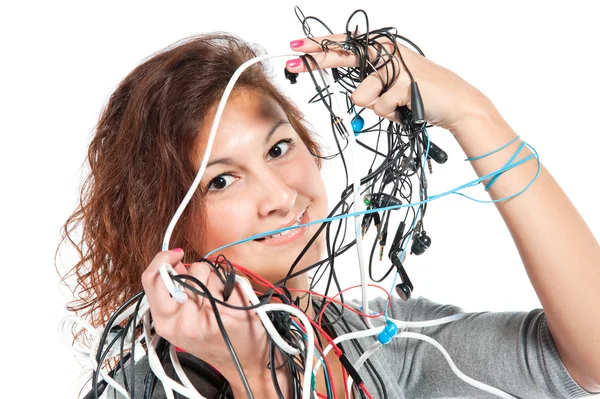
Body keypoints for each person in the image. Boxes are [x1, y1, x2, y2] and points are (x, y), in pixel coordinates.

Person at [60, 31, 600, 398]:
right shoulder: (149, 383)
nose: (280, 195)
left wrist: (471, 113)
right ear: (168, 227)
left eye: (278, 149)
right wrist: (253, 376)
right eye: (221, 181)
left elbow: (589, 359)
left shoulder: (369, 340)